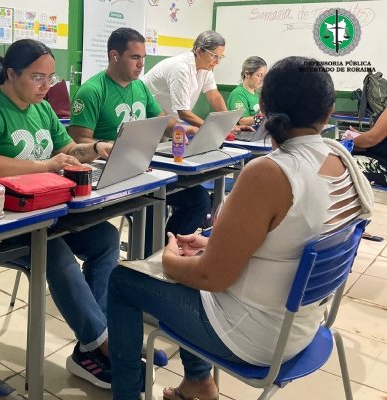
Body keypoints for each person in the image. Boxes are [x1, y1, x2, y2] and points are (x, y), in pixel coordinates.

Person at [106, 56, 374, 400]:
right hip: (305, 326)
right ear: (329, 112)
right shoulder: (342, 159)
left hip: (254, 338)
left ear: (263, 108)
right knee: (193, 263)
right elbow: (289, 239)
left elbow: (210, 278)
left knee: (124, 280)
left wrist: (169, 260)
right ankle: (198, 383)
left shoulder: (269, 173)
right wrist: (212, 245)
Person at [0, 39, 120, 389]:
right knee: (53, 251)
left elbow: (68, 149)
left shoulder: (42, 109)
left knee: (106, 237)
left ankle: (94, 340)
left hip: (47, 208)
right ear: (11, 74)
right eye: (37, 77)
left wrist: (96, 148)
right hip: (5, 219)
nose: (47, 86)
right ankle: (103, 346)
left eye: (51, 78)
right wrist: (45, 165)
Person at [69, 27, 211, 256]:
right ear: (114, 56)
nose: (141, 64)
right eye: (135, 57)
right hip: (108, 171)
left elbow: (163, 120)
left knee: (199, 199)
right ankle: (148, 259)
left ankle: (164, 251)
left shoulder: (140, 87)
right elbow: (78, 139)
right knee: (153, 203)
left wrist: (187, 129)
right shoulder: (92, 91)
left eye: (143, 58)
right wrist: (110, 147)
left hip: (139, 167)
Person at [141, 30, 228, 128]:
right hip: (147, 115)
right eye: (214, 56)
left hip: (168, 119)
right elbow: (183, 113)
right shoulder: (181, 69)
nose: (217, 62)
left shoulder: (206, 68)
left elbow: (214, 97)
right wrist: (211, 128)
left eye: (220, 57)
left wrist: (228, 123)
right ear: (199, 51)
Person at [342, 108, 387, 187]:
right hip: (379, 158)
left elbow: (371, 139)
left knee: (337, 164)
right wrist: (361, 136)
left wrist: (351, 140)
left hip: (382, 165)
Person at [227, 56, 267, 126]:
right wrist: (265, 119)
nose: (262, 80)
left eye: (264, 76)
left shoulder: (258, 93)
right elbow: (242, 121)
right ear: (247, 74)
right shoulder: (238, 94)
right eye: (259, 75)